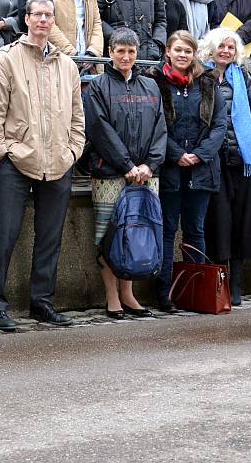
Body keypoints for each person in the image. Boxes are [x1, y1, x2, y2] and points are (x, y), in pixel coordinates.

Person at [0, 0, 85, 330]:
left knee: (50, 238)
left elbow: (77, 118)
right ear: (26, 19)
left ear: (54, 21)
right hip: (16, 159)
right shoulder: (6, 59)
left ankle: (42, 302)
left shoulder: (67, 65)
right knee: (6, 236)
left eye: (48, 15)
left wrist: (72, 152)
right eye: (37, 15)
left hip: (58, 161)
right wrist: (0, 151)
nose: (43, 20)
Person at [83, 28, 167, 319]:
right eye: (120, 51)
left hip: (145, 174)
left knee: (136, 231)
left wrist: (149, 165)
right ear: (110, 52)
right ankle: (111, 297)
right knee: (109, 234)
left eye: (131, 51)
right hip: (110, 173)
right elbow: (99, 130)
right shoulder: (98, 86)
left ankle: (128, 294)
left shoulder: (151, 87)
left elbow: (160, 129)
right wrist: (126, 165)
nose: (126, 57)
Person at [151, 30, 226, 312]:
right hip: (170, 168)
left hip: (201, 170)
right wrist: (177, 154)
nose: (183, 55)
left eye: (188, 51)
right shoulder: (156, 82)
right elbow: (156, 125)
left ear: (194, 54)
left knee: (195, 230)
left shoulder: (207, 82)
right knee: (168, 230)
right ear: (168, 51)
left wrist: (199, 155)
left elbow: (219, 125)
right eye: (178, 50)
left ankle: (196, 291)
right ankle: (164, 293)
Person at [198, 28, 251, 306]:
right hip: (216, 161)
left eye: (230, 47)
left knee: (242, 223)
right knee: (219, 223)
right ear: (211, 48)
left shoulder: (243, 76)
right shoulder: (202, 76)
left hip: (243, 159)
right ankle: (219, 281)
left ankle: (235, 281)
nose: (225, 51)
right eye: (221, 46)